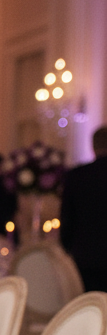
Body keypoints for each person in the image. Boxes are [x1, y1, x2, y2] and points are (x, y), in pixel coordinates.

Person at [60, 125, 107, 292]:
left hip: (85, 255)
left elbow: (67, 217)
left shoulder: (77, 175)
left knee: (90, 304)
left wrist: (66, 246)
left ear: (93, 146)